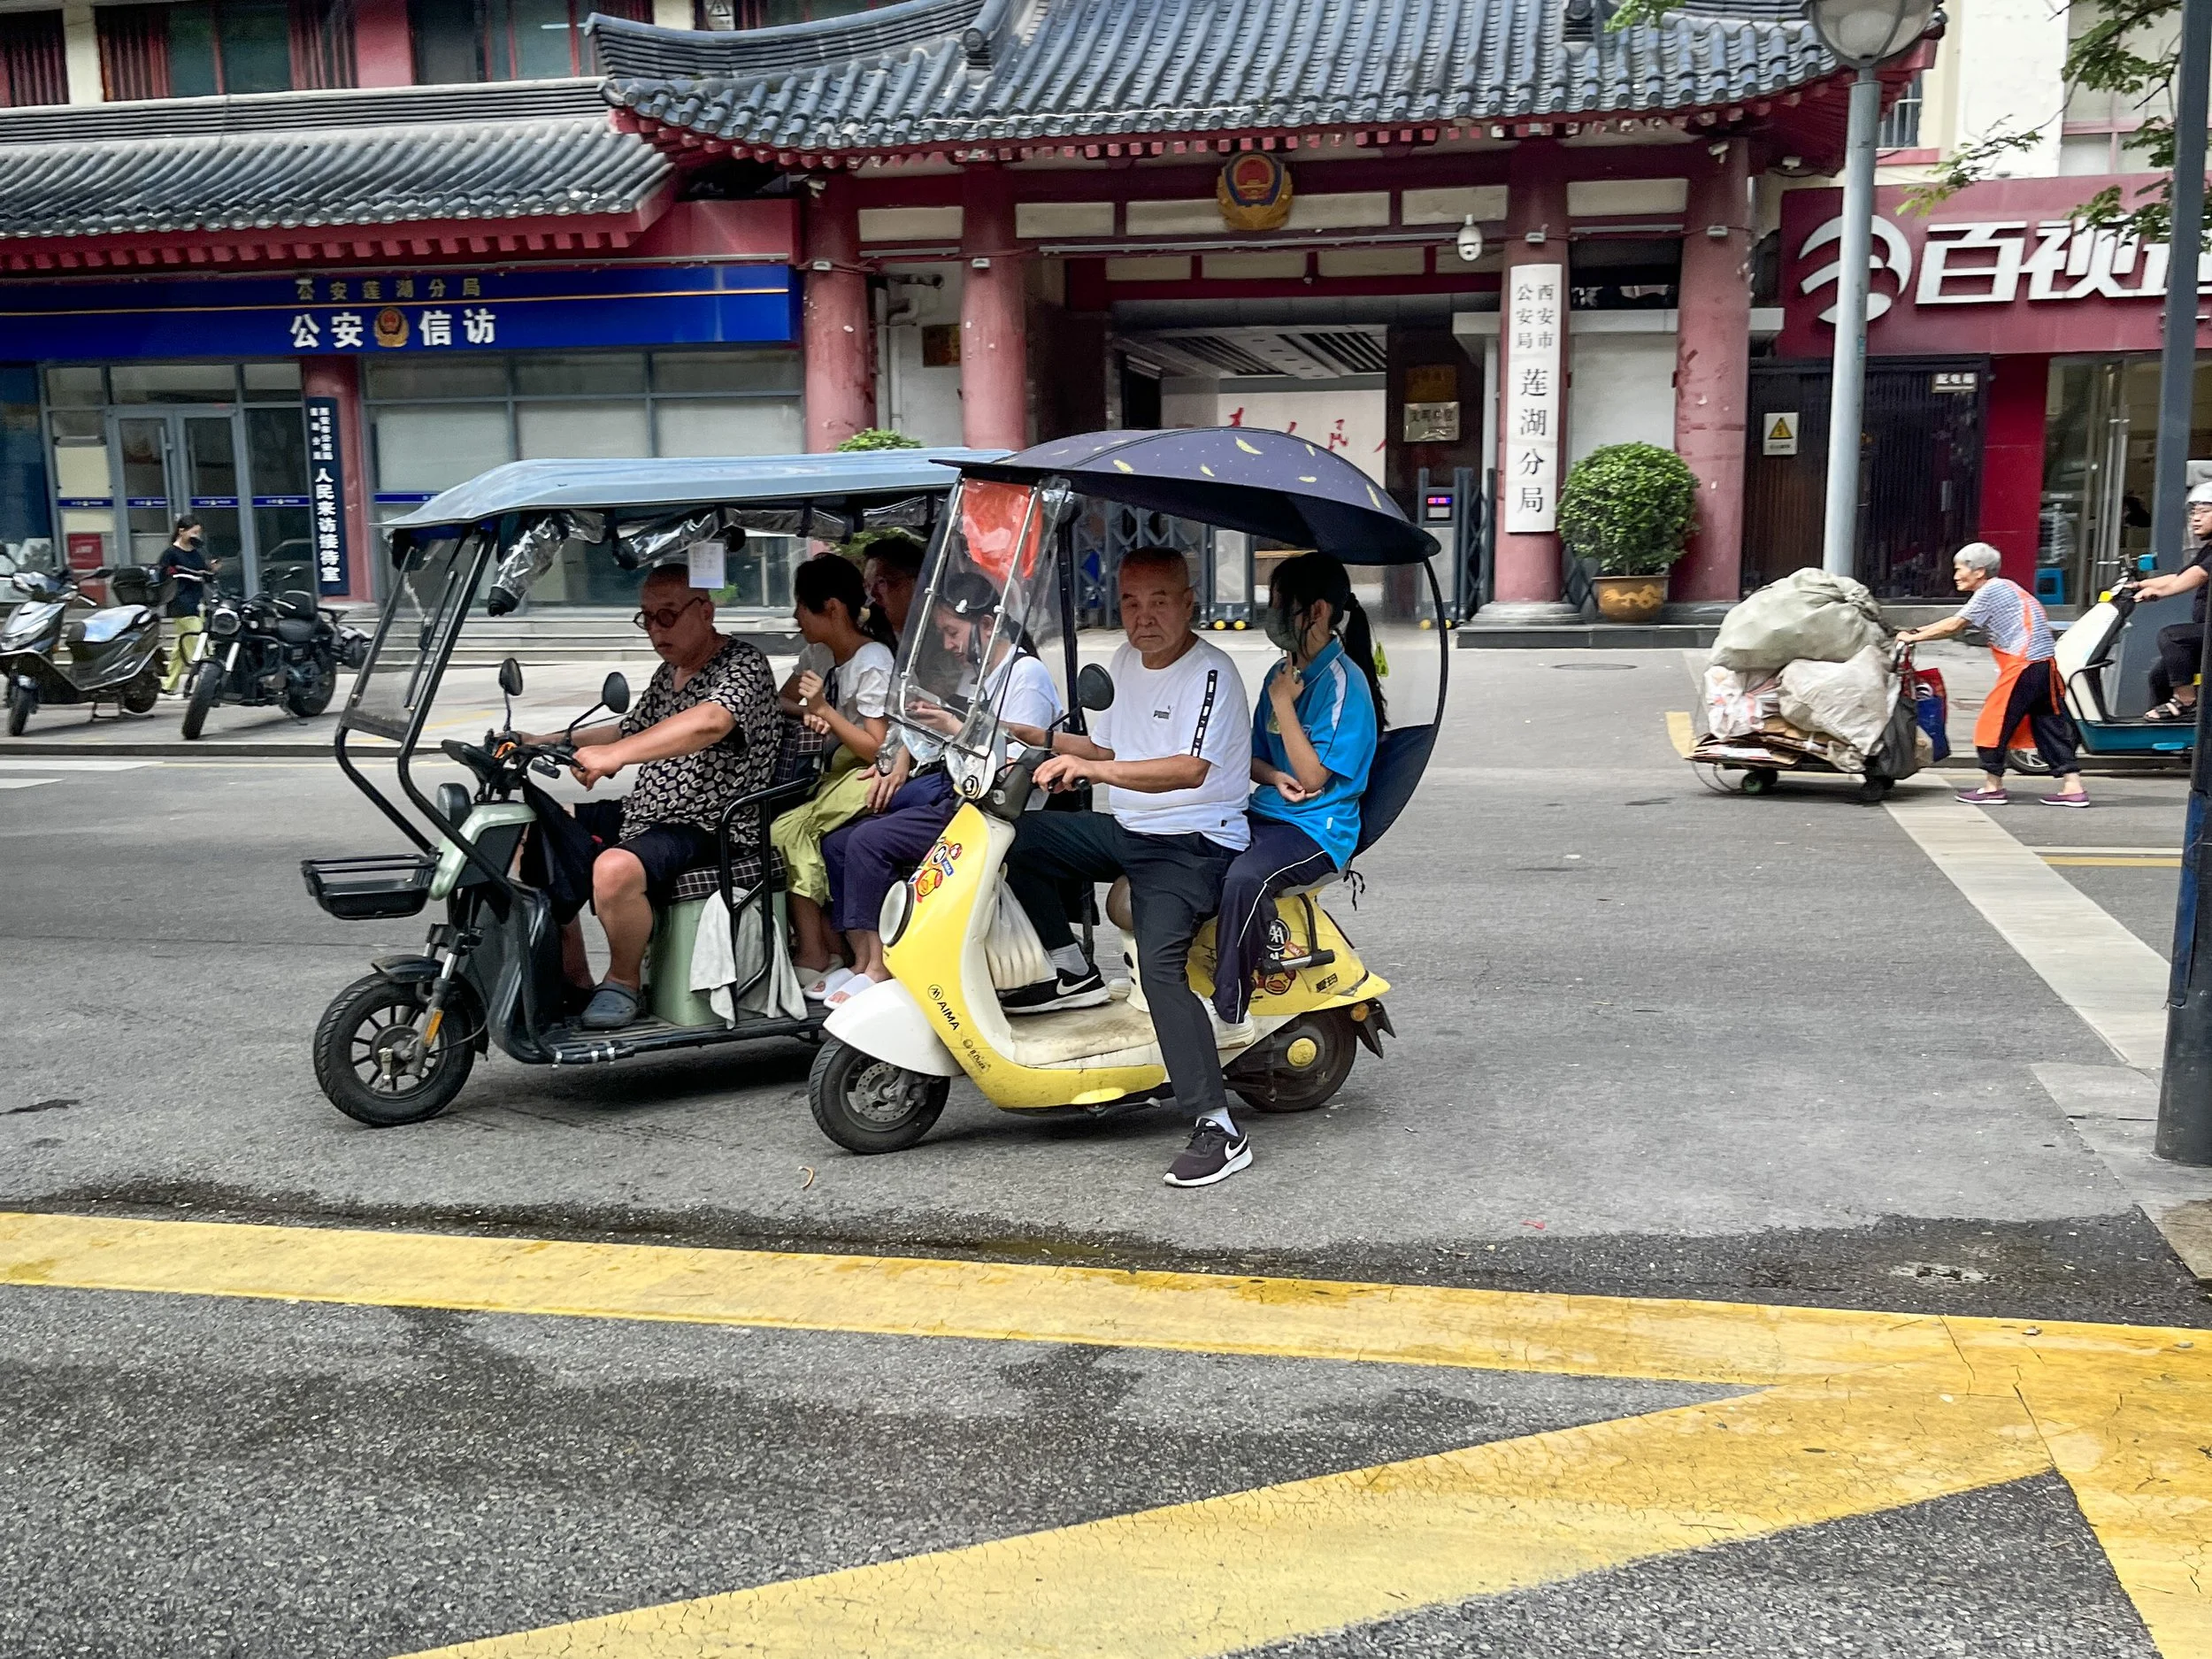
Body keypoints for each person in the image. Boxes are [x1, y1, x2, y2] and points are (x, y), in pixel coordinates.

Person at [999, 547, 1256, 1189]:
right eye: (1131, 602)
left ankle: (1219, 1126)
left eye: (1159, 601)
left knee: (1163, 969)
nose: (1144, 617)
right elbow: (1105, 746)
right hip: (1132, 831)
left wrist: (1093, 770)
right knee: (1015, 840)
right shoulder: (1122, 660)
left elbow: (1187, 769)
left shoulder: (1211, 673)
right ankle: (1071, 969)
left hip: (1194, 841)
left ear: (1189, 603)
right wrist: (1029, 737)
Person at [518, 561, 779, 1029]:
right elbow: (631, 727)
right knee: (537, 828)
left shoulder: (744, 665)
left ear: (705, 612)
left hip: (709, 824)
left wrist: (616, 756)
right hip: (648, 812)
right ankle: (571, 976)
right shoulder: (669, 673)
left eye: (668, 615)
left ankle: (623, 981)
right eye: (648, 618)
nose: (656, 629)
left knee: (614, 869)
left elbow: (711, 722)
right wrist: (545, 740)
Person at [819, 572, 1064, 1005]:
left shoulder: (1024, 677)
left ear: (986, 625)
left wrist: (952, 726)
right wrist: (908, 745)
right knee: (838, 840)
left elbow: (1012, 768)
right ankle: (862, 958)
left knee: (868, 841)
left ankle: (882, 967)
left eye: (953, 632)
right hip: (959, 792)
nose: (949, 644)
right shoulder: (977, 676)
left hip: (990, 811)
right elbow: (948, 739)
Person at [1212, 552, 1382, 1026]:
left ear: (1318, 612)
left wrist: (1285, 705)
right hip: (1267, 811)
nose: (1272, 615)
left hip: (1317, 829)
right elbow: (1251, 759)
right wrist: (1272, 776)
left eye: (1280, 604)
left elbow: (1313, 779)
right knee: (1193, 847)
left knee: (1247, 879)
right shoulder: (1281, 675)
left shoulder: (1344, 685)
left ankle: (1230, 1010)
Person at [771, 555, 897, 1002]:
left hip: (871, 772)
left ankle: (818, 951)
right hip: (835, 771)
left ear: (832, 608)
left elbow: (876, 746)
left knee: (790, 831)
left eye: (801, 607)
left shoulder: (873, 659)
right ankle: (829, 948)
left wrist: (826, 711)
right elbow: (781, 700)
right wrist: (812, 714)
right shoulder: (818, 654)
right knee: (785, 829)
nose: (796, 618)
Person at [1897, 541, 2088, 808]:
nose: (1955, 575)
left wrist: (1912, 638)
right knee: (2048, 725)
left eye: (1959, 569)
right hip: (2043, 666)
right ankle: (2072, 787)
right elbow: (1956, 620)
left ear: (1979, 571)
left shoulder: (1991, 590)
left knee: (1993, 724)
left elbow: (1955, 625)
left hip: (2023, 665)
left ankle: (1992, 787)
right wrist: (1915, 632)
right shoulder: (2007, 587)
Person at [2132, 480, 2212, 722]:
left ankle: (2186, 702)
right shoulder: (2208, 549)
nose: (2195, 518)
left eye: (2204, 512)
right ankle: (2163, 735)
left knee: (2172, 637)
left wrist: (2159, 593)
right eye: (2193, 512)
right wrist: (2138, 585)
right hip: (2206, 631)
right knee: (2160, 676)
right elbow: (2179, 576)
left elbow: (2194, 578)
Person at [155, 516, 211, 695]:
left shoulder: (197, 553)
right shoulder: (171, 553)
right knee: (196, 640)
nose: (196, 536)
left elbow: (205, 573)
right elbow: (162, 576)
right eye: (193, 532)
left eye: (198, 533)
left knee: (181, 644)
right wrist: (178, 574)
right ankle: (207, 682)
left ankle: (169, 684)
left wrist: (211, 569)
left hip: (197, 600)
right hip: (180, 601)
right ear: (181, 531)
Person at [859, 531, 926, 643]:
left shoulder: (945, 631)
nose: (873, 595)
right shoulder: (872, 636)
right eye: (868, 586)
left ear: (917, 583)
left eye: (881, 582)